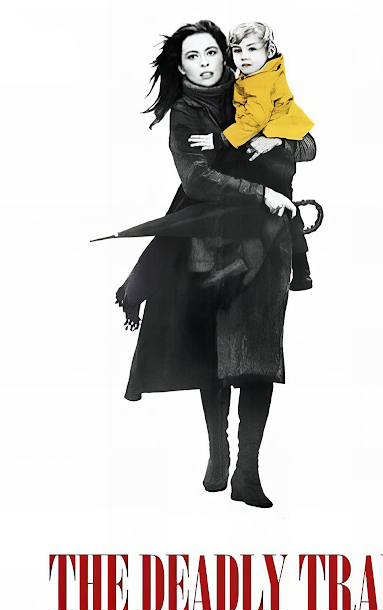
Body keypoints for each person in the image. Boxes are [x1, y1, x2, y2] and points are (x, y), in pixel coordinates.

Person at [114, 20, 302, 508]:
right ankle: (219, 453)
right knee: (217, 355)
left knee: (260, 356)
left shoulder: (255, 88)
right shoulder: (185, 113)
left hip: (268, 243)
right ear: (181, 68)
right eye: (192, 57)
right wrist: (260, 191)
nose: (205, 63)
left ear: (225, 54)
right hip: (210, 243)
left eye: (212, 52)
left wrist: (273, 142)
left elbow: (308, 143)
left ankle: (248, 472)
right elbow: (197, 180)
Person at [189, 21, 316, 290]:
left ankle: (297, 265)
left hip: (276, 156)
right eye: (237, 51)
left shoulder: (260, 81)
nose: (244, 57)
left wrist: (219, 140)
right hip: (268, 152)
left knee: (282, 205)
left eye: (252, 49)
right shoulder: (254, 75)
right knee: (280, 205)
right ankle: (300, 266)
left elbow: (254, 121)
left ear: (268, 51)